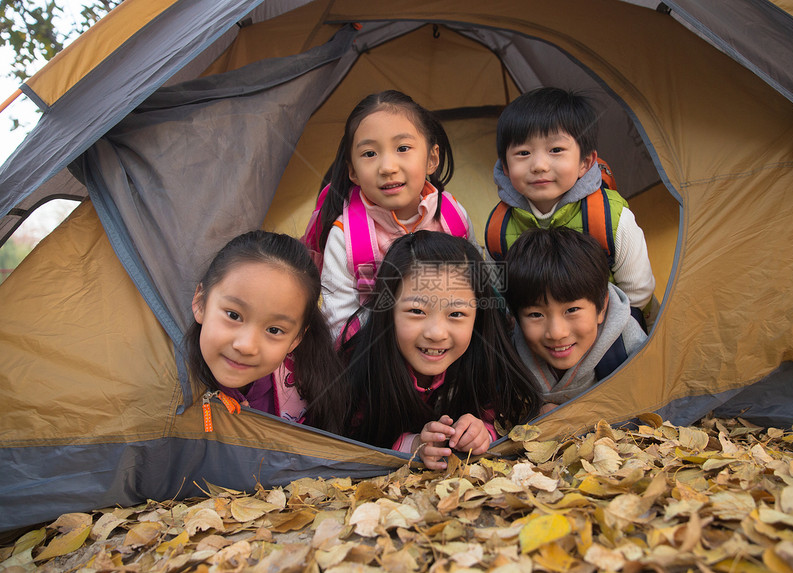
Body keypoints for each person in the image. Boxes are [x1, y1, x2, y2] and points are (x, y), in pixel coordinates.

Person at [339, 231, 541, 469]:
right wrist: (412, 445)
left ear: (477, 317)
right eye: (417, 311)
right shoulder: (362, 361)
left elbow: (505, 410)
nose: (436, 333)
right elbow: (350, 437)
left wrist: (483, 432)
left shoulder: (485, 356)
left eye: (456, 314)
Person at [303, 90, 476, 337]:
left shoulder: (453, 217)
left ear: (432, 158)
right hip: (374, 358)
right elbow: (338, 326)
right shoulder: (346, 239)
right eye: (369, 154)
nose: (387, 167)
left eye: (403, 148)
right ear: (353, 172)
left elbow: (479, 285)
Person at [485, 87, 657, 328]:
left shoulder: (610, 218)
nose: (539, 165)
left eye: (556, 150)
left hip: (611, 329)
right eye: (523, 153)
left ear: (585, 163)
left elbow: (638, 291)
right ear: (505, 166)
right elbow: (500, 296)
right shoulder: (499, 227)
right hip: (538, 336)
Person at [184, 230, 344, 434]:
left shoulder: (310, 390)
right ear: (200, 302)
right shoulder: (162, 386)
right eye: (233, 315)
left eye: (274, 330)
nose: (246, 346)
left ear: (296, 339)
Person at [503, 227, 647, 410]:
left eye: (571, 310)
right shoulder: (509, 353)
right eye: (536, 314)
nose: (556, 333)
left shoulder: (628, 347)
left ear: (602, 307)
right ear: (516, 317)